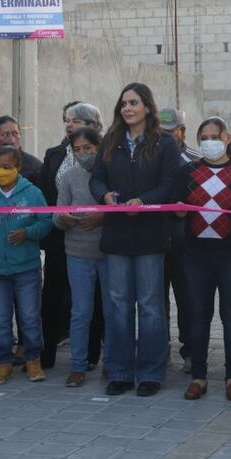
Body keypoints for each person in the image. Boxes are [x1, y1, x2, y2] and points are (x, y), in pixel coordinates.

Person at [90, 82, 180, 397]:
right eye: (124, 103)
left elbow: (170, 184)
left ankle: (151, 372)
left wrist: (143, 201)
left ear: (147, 107)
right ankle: (119, 371)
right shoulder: (110, 141)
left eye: (134, 103)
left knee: (151, 306)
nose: (127, 108)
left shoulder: (165, 143)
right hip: (116, 235)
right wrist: (104, 195)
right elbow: (96, 180)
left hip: (149, 235)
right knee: (118, 305)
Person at [172, 117, 231, 401]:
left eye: (214, 136)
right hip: (196, 256)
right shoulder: (187, 172)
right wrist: (178, 213)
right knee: (198, 316)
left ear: (227, 138)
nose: (209, 142)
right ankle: (199, 376)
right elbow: (175, 209)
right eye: (204, 137)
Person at [0, 146, 52, 384]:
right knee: (0, 318)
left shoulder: (33, 194)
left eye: (7, 167)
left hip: (26, 268)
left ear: (18, 167)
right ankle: (4, 362)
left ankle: (33, 359)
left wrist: (28, 232)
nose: (1, 172)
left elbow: (47, 222)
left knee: (30, 317)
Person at [41, 102, 104, 372]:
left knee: (94, 301)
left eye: (76, 120)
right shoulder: (54, 155)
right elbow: (47, 196)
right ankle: (46, 354)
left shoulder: (106, 159)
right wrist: (58, 218)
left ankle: (91, 355)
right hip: (61, 238)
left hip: (96, 241)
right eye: (67, 120)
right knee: (54, 295)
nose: (70, 125)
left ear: (93, 126)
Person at [53, 127, 107, 387]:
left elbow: (121, 210)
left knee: (113, 310)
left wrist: (102, 217)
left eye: (88, 148)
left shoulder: (110, 173)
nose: (83, 153)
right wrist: (63, 218)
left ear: (99, 147)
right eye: (77, 150)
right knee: (81, 311)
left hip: (109, 253)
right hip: (77, 253)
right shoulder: (69, 177)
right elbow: (56, 215)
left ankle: (114, 364)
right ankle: (78, 365)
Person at [158, 107, 198, 372]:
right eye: (160, 132)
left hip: (187, 244)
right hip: (156, 240)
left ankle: (191, 351)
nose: (165, 136)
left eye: (170, 132)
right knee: (156, 301)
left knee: (188, 301)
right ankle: (160, 349)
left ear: (182, 132)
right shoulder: (150, 158)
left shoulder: (196, 161)